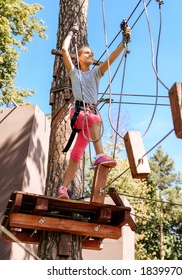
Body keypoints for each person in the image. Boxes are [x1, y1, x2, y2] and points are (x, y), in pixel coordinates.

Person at [57, 23, 132, 199]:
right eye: (86, 53)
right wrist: (70, 32)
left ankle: (63, 189)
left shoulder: (96, 73)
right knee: (95, 120)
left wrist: (124, 40)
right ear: (79, 57)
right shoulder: (75, 73)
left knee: (76, 154)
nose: (90, 55)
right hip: (79, 113)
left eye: (92, 53)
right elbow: (64, 50)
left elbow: (111, 59)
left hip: (89, 116)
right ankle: (99, 155)